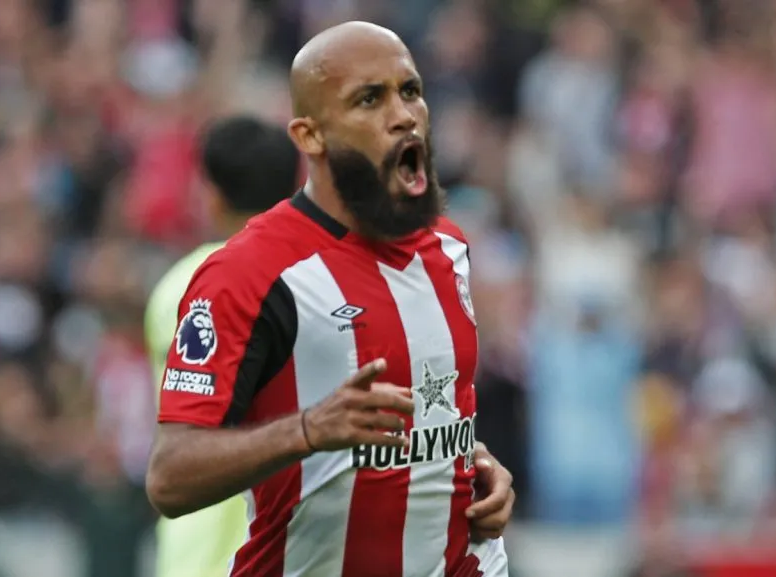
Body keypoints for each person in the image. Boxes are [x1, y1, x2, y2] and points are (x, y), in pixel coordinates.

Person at [146, 21, 515, 576]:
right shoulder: (249, 274)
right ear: (310, 136)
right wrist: (307, 430)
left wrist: (478, 471)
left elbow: (437, 418)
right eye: (369, 99)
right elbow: (170, 476)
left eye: (410, 90)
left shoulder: (449, 248)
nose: (403, 114)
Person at [144, 116, 302, 577]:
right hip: (296, 550)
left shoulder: (182, 287)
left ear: (211, 195)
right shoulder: (321, 282)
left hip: (201, 555)